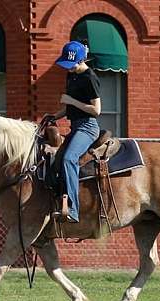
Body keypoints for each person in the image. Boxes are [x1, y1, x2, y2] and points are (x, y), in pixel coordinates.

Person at [46, 40, 101, 223]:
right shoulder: (72, 76)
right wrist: (54, 116)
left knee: (70, 158)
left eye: (70, 64)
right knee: (56, 160)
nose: (67, 68)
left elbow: (96, 110)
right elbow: (70, 108)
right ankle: (57, 202)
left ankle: (73, 210)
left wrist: (71, 101)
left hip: (88, 127)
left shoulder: (89, 77)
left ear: (79, 61)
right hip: (76, 125)